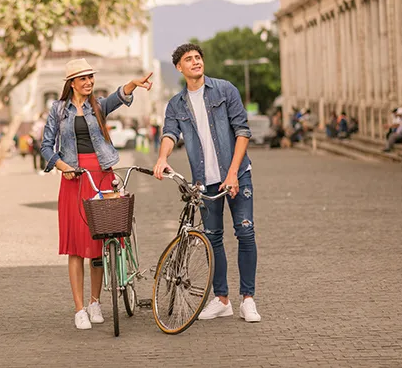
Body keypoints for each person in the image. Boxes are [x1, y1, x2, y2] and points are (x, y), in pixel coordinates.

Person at [40, 58, 152, 330]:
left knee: (100, 243)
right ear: (71, 83)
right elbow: (45, 146)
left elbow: (117, 98)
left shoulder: (97, 106)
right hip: (73, 178)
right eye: (83, 78)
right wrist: (62, 165)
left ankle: (95, 301)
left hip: (102, 175)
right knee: (76, 247)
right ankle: (79, 309)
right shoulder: (57, 111)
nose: (89, 82)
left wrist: (133, 85)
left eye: (90, 77)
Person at [153, 43, 261, 323]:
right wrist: (162, 158)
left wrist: (233, 172)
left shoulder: (225, 90)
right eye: (189, 59)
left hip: (237, 174)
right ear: (179, 67)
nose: (195, 62)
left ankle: (248, 299)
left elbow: (242, 131)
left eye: (198, 57)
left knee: (245, 233)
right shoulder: (176, 104)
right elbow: (169, 133)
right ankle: (222, 299)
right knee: (213, 238)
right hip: (204, 182)